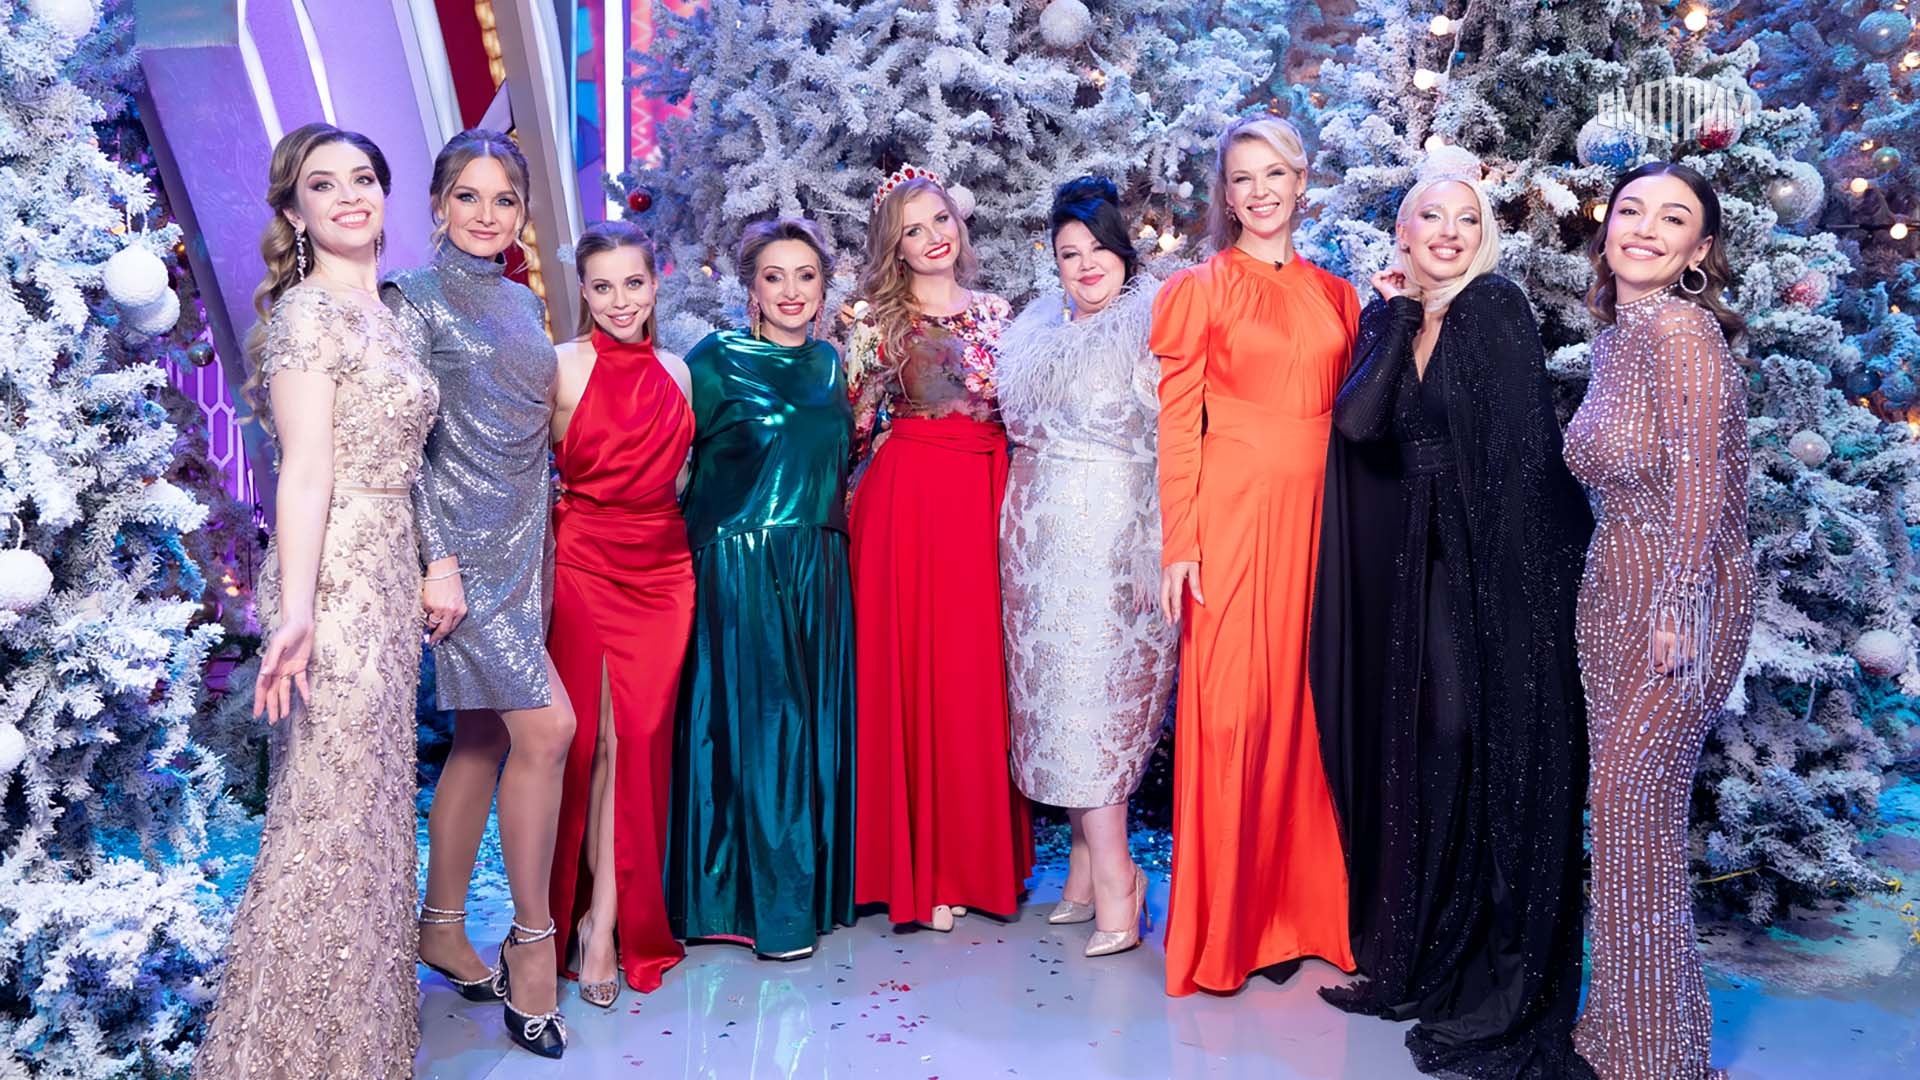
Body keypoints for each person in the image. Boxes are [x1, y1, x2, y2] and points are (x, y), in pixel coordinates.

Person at [1309, 158, 1595, 1079]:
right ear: (1403, 232)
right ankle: (1423, 952)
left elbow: (1520, 458)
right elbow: (1358, 424)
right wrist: (1397, 316)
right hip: (1419, 559)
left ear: (1484, 236)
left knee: (1475, 737)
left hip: (1499, 561)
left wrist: (1512, 590)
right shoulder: (1392, 318)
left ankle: (1491, 969)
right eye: (1430, 217)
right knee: (1430, 743)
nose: (1447, 233)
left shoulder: (1494, 308)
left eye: (1466, 220)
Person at [196, 123, 436, 1079]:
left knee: (374, 806)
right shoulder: (306, 316)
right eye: (323, 185)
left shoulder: (391, 313)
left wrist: (425, 566)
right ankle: (286, 1051)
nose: (349, 196)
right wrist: (294, 612)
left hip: (387, 570)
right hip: (332, 574)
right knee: (328, 807)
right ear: (294, 213)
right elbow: (301, 473)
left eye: (363, 178)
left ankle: (358, 1041)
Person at [1150, 115, 1357, 996]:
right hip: (1231, 519)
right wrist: (1181, 542)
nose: (1260, 191)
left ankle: (1304, 916)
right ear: (1226, 197)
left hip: (1322, 523)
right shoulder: (1198, 289)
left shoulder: (1340, 297)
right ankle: (1227, 930)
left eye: (1275, 174)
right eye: (1243, 178)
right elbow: (1176, 426)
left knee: (1308, 713)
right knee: (1232, 715)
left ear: (1302, 182)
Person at [380, 129, 575, 1058]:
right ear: (437, 203)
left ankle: (442, 927)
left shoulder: (523, 303)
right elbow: (403, 442)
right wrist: (437, 560)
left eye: (504, 200)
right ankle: (532, 949)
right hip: (460, 556)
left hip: (527, 549)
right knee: (548, 730)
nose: (486, 214)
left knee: (484, 737)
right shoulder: (409, 299)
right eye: (468, 195)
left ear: (522, 213)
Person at [1565, 162, 1754, 1080]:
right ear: (1606, 228)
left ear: (1699, 249)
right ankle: (1625, 1040)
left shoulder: (1681, 330)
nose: (1644, 228)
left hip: (1681, 598)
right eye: (1630, 209)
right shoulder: (1616, 339)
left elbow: (1704, 484)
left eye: (1672, 219)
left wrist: (1681, 606)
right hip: (1612, 590)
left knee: (1630, 805)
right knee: (1622, 818)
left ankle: (1659, 1060)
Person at [666, 217, 857, 959]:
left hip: (820, 569)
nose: (791, 291)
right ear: (750, 287)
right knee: (764, 728)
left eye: (805, 276)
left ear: (824, 286)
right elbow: (665, 454)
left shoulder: (831, 364)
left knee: (808, 731)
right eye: (774, 276)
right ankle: (766, 913)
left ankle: (804, 892)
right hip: (742, 566)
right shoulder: (715, 360)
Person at [848, 168, 1032, 931]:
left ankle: (970, 862)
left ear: (959, 224)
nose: (932, 238)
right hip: (910, 506)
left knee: (972, 678)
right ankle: (920, 871)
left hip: (984, 496)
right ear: (895, 247)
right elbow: (853, 429)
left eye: (941, 220)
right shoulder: (875, 324)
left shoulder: (999, 314)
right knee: (914, 675)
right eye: (913, 229)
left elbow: (1024, 415)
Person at [997, 176, 1174, 958]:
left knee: (1096, 712)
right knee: (1052, 707)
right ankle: (1079, 869)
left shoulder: (1151, 324)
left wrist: (1156, 539)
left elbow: (1176, 440)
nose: (1086, 265)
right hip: (1036, 550)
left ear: (1124, 253)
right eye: (1070, 254)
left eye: (1099, 249)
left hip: (1113, 543)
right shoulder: (1036, 330)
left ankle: (1117, 879)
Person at [546, 221, 695, 1001]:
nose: (619, 300)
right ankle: (587, 921)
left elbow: (685, 479)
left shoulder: (679, 371)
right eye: (602, 286)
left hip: (665, 573)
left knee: (636, 746)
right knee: (594, 746)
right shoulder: (561, 365)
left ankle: (606, 920)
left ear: (655, 282)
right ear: (583, 290)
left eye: (633, 283)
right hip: (586, 562)